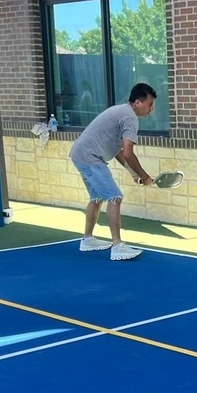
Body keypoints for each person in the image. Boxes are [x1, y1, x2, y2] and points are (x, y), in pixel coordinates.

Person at [69, 83, 157, 261]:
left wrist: (133, 173)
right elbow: (128, 152)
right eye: (149, 104)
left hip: (80, 153)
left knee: (97, 197)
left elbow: (117, 150)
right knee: (115, 197)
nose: (151, 109)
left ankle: (87, 239)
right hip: (89, 156)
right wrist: (145, 177)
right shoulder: (130, 118)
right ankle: (117, 246)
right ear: (138, 103)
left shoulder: (121, 111)